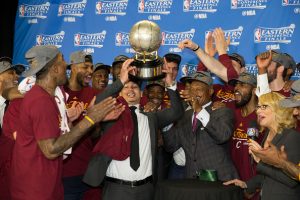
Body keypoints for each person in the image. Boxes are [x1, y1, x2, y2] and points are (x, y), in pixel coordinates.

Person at [10, 45, 121, 200]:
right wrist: (90, 119)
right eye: (62, 61)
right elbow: (51, 149)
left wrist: (86, 119)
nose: (65, 65)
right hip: (35, 190)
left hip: (46, 184)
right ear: (54, 69)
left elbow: (55, 137)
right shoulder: (40, 100)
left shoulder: (47, 97)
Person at [83, 58, 185, 200]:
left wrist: (170, 84)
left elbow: (176, 112)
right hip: (116, 190)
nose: (130, 89)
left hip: (146, 190)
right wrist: (120, 81)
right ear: (119, 92)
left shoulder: (151, 117)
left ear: (141, 93)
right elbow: (98, 101)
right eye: (126, 87)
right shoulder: (111, 114)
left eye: (135, 87)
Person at [163, 71, 238, 181]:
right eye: (192, 90)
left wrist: (199, 109)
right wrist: (167, 122)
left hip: (219, 180)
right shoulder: (184, 116)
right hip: (193, 181)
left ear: (211, 91)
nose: (194, 93)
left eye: (199, 89)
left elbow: (222, 136)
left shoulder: (223, 112)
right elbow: (171, 146)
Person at [224, 92, 300, 200]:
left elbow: (292, 180)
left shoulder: (292, 137)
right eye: (258, 107)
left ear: (279, 109)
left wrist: (261, 161)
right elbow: (269, 175)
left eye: (264, 106)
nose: (258, 111)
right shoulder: (267, 135)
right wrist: (246, 184)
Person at [63, 50, 101, 199]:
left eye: (91, 67)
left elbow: (96, 136)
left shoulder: (93, 94)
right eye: (85, 67)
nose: (90, 72)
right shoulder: (58, 93)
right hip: (64, 173)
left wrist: (94, 121)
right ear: (73, 67)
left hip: (89, 173)